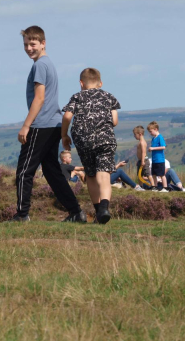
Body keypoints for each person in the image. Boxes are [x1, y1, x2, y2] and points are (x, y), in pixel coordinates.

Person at [10, 26, 86, 223]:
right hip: (53, 124)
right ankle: (76, 212)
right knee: (52, 172)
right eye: (25, 44)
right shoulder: (47, 64)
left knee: (24, 171)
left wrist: (26, 125)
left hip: (41, 125)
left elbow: (39, 98)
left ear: (43, 43)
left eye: (32, 44)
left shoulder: (40, 66)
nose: (28, 48)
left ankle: (22, 214)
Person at [61, 68, 120, 224]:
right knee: (104, 175)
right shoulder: (109, 97)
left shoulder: (77, 96)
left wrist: (64, 135)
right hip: (105, 139)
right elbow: (114, 121)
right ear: (100, 83)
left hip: (84, 139)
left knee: (91, 175)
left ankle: (98, 211)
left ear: (81, 83)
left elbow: (67, 116)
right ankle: (104, 209)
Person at [147, 121, 169, 192]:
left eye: (151, 131)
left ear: (156, 129)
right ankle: (155, 186)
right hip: (154, 160)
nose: (150, 133)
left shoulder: (160, 137)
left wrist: (153, 148)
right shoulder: (153, 139)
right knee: (154, 174)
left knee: (162, 174)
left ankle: (165, 188)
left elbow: (163, 147)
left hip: (160, 159)